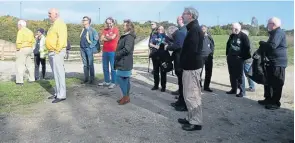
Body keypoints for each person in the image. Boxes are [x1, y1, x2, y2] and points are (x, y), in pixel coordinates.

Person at [178, 7, 204, 131]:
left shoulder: (194, 30)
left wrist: (183, 63)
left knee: (192, 95)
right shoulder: (192, 28)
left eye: (184, 14)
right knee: (189, 94)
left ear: (191, 15)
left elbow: (192, 51)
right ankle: (190, 117)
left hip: (191, 67)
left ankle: (196, 122)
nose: (182, 16)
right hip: (189, 67)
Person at [258, 17, 287, 110]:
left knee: (277, 83)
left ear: (273, 24)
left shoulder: (279, 32)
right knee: (269, 82)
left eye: (268, 23)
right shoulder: (274, 33)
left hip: (278, 63)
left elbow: (272, 46)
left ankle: (275, 103)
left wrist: (262, 43)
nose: (267, 25)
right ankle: (268, 99)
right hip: (271, 62)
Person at [166, 16, 188, 112]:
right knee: (181, 82)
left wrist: (168, 47)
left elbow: (178, 46)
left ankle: (183, 103)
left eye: (168, 35)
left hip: (181, 62)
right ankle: (180, 100)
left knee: (183, 83)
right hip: (179, 61)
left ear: (171, 33)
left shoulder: (179, 33)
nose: (169, 37)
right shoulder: (180, 32)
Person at [46, 8, 68, 103]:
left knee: (59, 73)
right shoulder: (53, 25)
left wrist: (57, 51)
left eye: (50, 13)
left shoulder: (60, 23)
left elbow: (62, 38)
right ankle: (58, 93)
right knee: (55, 73)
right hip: (52, 51)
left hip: (57, 52)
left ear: (56, 14)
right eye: (49, 13)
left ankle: (62, 95)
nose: (49, 15)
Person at [226, 23, 251, 98]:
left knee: (240, 75)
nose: (231, 29)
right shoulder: (232, 36)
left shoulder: (244, 36)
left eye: (232, 28)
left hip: (239, 58)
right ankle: (233, 89)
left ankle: (242, 91)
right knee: (232, 74)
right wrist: (227, 54)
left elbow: (247, 48)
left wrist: (242, 56)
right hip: (231, 57)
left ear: (236, 29)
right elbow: (228, 45)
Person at [114, 19, 136, 105]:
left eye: (124, 25)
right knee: (125, 79)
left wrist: (117, 54)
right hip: (124, 61)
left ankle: (125, 97)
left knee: (119, 78)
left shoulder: (129, 36)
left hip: (124, 61)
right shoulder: (127, 36)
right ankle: (126, 97)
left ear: (128, 26)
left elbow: (127, 49)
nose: (123, 26)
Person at [98, 17, 119, 89]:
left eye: (110, 23)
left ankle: (113, 82)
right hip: (105, 50)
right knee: (105, 66)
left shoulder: (115, 29)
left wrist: (106, 37)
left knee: (113, 67)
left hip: (113, 50)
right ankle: (107, 81)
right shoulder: (104, 30)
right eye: (107, 23)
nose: (109, 24)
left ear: (113, 22)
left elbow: (113, 37)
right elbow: (101, 39)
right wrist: (107, 37)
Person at [15, 20, 35, 86]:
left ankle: (19, 81)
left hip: (23, 48)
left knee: (20, 65)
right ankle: (32, 79)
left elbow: (18, 41)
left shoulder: (20, 31)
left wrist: (18, 48)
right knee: (30, 64)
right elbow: (33, 41)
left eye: (18, 25)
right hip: (29, 48)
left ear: (20, 25)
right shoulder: (30, 31)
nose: (17, 27)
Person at [80, 16, 99, 84]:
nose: (83, 21)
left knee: (90, 64)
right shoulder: (83, 29)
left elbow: (96, 39)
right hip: (82, 49)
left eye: (85, 20)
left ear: (88, 21)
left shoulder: (92, 30)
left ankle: (92, 79)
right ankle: (86, 78)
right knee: (85, 64)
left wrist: (91, 46)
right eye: (83, 20)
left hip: (88, 49)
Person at [149, 26, 168, 92]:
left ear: (163, 30)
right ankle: (156, 85)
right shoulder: (154, 35)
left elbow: (169, 44)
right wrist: (155, 46)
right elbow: (150, 44)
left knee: (163, 72)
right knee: (155, 71)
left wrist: (165, 43)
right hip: (155, 56)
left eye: (161, 29)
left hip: (163, 57)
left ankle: (163, 87)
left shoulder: (166, 36)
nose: (160, 30)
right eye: (159, 29)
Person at [200, 25, 215, 92]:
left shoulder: (209, 37)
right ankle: (198, 86)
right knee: (199, 72)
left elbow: (212, 46)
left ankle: (206, 86)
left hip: (208, 57)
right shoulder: (198, 37)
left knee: (209, 72)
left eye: (204, 29)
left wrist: (211, 53)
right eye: (202, 29)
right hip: (200, 57)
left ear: (206, 29)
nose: (203, 30)